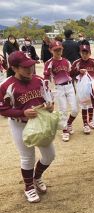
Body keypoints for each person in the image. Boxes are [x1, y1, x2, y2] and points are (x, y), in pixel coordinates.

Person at [0, 51, 55, 203]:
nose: (30, 69)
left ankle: (36, 177)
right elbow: (2, 108)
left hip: (39, 123)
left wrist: (50, 106)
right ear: (15, 68)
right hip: (20, 125)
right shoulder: (6, 86)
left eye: (31, 65)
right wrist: (21, 112)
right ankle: (29, 186)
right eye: (25, 67)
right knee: (27, 157)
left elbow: (48, 97)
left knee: (50, 155)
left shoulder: (39, 80)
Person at [44, 41, 79, 142]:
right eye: (56, 50)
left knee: (75, 109)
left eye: (60, 49)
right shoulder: (49, 63)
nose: (58, 52)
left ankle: (68, 124)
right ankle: (65, 130)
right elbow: (46, 77)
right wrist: (46, 89)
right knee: (63, 110)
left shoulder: (66, 61)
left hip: (69, 86)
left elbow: (71, 72)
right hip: (59, 88)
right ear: (51, 50)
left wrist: (78, 71)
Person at [71, 45, 94, 134]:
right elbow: (70, 73)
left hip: (91, 85)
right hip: (81, 86)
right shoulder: (76, 62)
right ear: (80, 53)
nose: (84, 55)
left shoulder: (93, 61)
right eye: (83, 53)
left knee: (90, 104)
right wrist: (78, 71)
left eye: (86, 53)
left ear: (90, 53)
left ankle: (90, 120)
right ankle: (85, 124)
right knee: (83, 105)